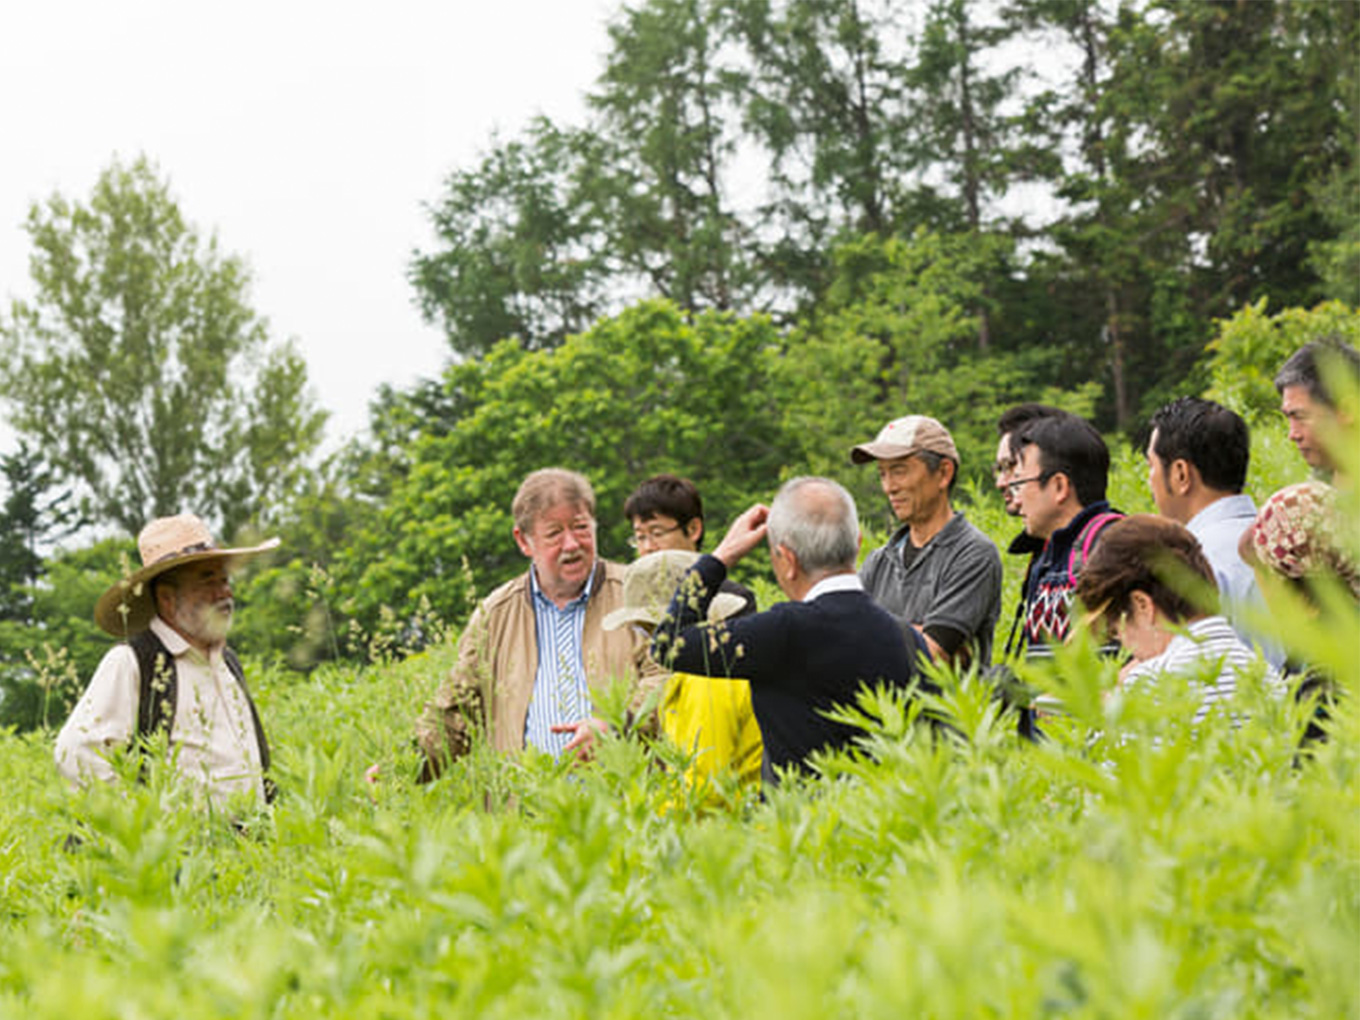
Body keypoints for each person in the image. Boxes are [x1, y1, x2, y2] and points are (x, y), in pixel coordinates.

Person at [651, 477, 931, 788]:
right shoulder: (908, 637)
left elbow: (669, 644)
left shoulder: (781, 632)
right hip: (887, 825)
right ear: (858, 542)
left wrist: (720, 558)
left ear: (788, 561)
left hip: (804, 829)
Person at [416, 468, 663, 779]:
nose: (572, 544)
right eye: (554, 533)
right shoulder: (495, 614)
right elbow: (457, 714)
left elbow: (668, 676)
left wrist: (617, 725)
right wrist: (400, 770)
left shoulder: (639, 593)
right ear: (524, 541)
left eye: (581, 527)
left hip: (625, 807)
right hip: (524, 813)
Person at [55, 514, 279, 810]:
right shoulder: (133, 661)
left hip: (246, 849)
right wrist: (143, 825)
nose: (224, 592)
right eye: (207, 580)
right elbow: (75, 754)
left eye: (224, 579)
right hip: (177, 852)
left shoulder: (227, 662)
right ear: (167, 598)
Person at [1075, 515, 1274, 725]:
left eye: (1116, 629)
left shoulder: (1150, 683)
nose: (1125, 646)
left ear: (1142, 605)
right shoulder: (1266, 676)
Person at [602, 549, 761, 799]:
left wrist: (646, 817)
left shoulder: (707, 680)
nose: (643, 644)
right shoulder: (698, 672)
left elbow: (705, 790)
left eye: (645, 631)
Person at [851, 415, 1002, 666]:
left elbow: (931, 654)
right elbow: (837, 639)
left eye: (899, 471)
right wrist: (915, 633)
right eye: (882, 474)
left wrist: (867, 632)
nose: (889, 487)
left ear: (944, 473)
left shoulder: (973, 553)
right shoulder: (879, 561)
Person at [1145, 396, 1275, 659]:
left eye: (1151, 466)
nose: (1149, 480)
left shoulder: (1193, 561)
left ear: (1181, 474)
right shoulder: (1283, 541)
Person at [1009, 413, 1123, 654]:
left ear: (1059, 486)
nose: (1017, 500)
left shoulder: (1114, 548)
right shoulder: (1045, 555)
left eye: (1020, 482)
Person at [623, 473, 757, 615]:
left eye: (657, 534)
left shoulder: (734, 600)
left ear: (693, 529)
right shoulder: (633, 598)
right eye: (640, 537)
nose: (648, 547)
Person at [993, 404, 1068, 657]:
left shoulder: (1102, 547)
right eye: (1000, 469)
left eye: (1012, 466)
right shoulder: (1043, 549)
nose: (1003, 482)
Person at [1274, 338, 1360, 476]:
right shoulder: (1315, 487)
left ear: (1347, 410)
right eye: (1289, 418)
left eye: (1300, 417)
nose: (1293, 435)